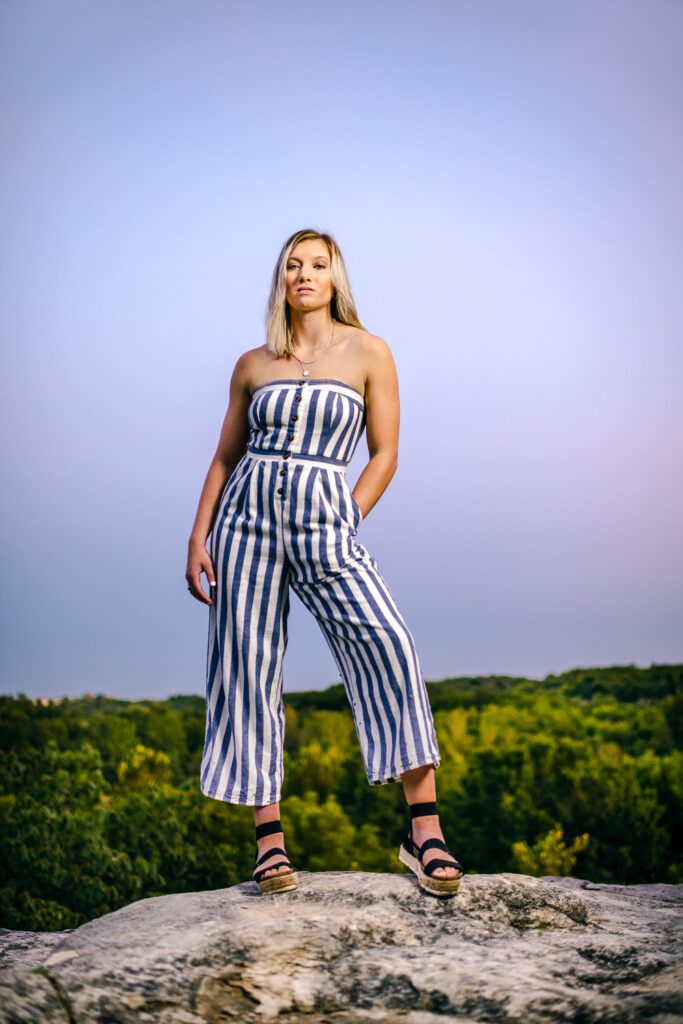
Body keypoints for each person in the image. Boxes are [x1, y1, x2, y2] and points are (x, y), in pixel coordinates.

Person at [186, 228, 465, 898]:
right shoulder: (253, 363)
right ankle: (269, 843)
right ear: (282, 281)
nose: (303, 274)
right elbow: (224, 458)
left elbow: (385, 453)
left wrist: (348, 514)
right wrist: (198, 538)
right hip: (245, 521)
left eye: (317, 264)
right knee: (247, 668)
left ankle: (422, 831)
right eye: (292, 265)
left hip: (324, 518)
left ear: (335, 278)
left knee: (388, 643)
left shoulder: (370, 351)